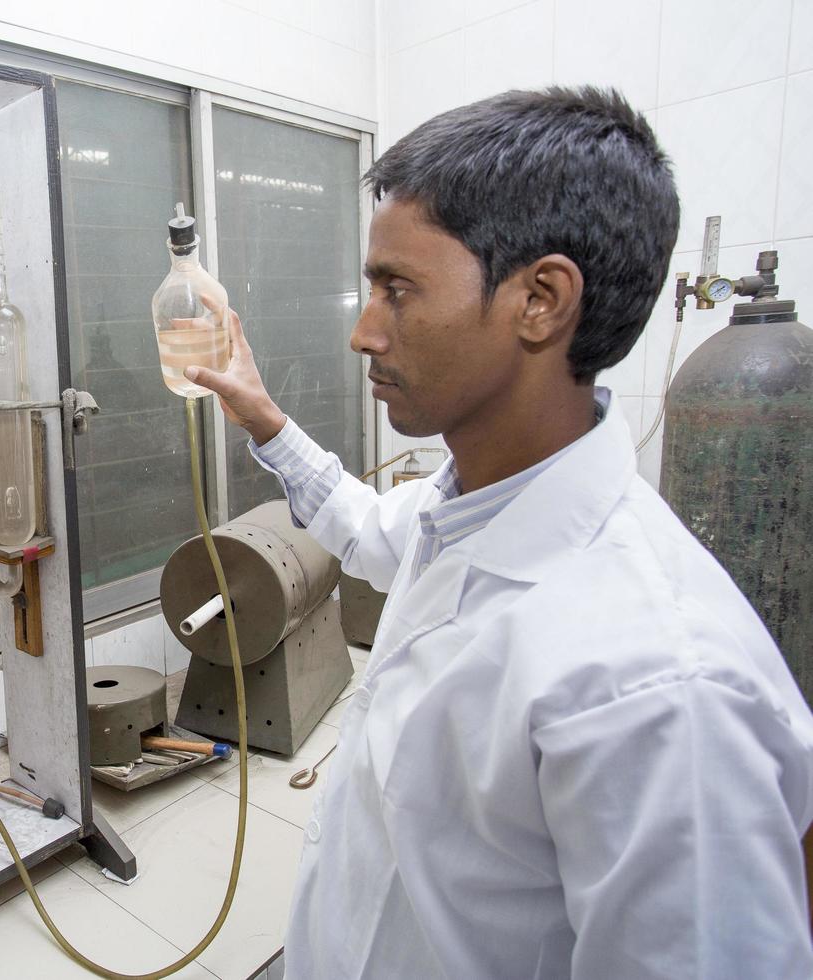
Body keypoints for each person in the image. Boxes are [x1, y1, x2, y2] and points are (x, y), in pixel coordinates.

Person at [184, 86, 813, 978]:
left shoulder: (659, 690)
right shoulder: (469, 506)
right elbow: (366, 532)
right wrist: (262, 419)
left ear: (541, 300)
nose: (365, 332)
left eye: (397, 290)